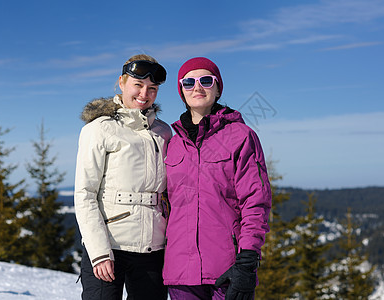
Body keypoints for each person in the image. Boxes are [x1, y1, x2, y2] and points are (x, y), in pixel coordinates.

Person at [163, 57, 272, 300]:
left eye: (206, 80)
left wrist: (247, 260)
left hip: (227, 270)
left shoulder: (241, 136)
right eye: (189, 82)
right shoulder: (173, 143)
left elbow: (256, 201)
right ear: (181, 91)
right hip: (180, 273)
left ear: (218, 88)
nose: (197, 87)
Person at [74, 54, 171, 300]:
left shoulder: (163, 132)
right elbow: (85, 195)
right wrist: (99, 253)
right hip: (110, 245)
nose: (144, 94)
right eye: (138, 85)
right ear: (122, 82)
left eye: (152, 88)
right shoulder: (99, 129)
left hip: (153, 248)